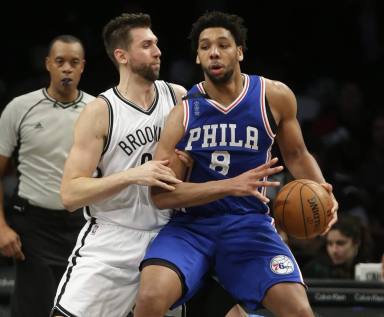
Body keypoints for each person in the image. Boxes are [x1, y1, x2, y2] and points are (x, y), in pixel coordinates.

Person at [134, 11, 338, 317]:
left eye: (223, 44)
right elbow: (161, 196)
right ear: (198, 58)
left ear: (239, 51)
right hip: (192, 227)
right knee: (150, 299)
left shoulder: (274, 96)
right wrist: (230, 185)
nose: (214, 52)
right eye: (205, 47)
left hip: (249, 224)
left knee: (299, 311)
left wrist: (323, 191)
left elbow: (296, 155)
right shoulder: (183, 114)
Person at [50, 13, 185, 317]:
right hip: (114, 238)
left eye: (157, 44)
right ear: (122, 55)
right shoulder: (100, 111)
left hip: (170, 237)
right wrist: (132, 175)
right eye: (147, 45)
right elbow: (70, 194)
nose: (157, 51)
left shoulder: (178, 97)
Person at [0, 35, 93, 317]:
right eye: (60, 61)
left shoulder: (98, 109)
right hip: (33, 227)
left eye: (73, 63)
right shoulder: (19, 107)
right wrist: (1, 227)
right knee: (33, 309)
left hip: (82, 225)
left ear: (82, 67)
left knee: (80, 308)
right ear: (48, 64)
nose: (66, 68)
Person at [303, 215, 373, 279]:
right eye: (330, 244)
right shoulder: (314, 270)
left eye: (340, 243)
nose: (334, 250)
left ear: (357, 242)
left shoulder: (371, 269)